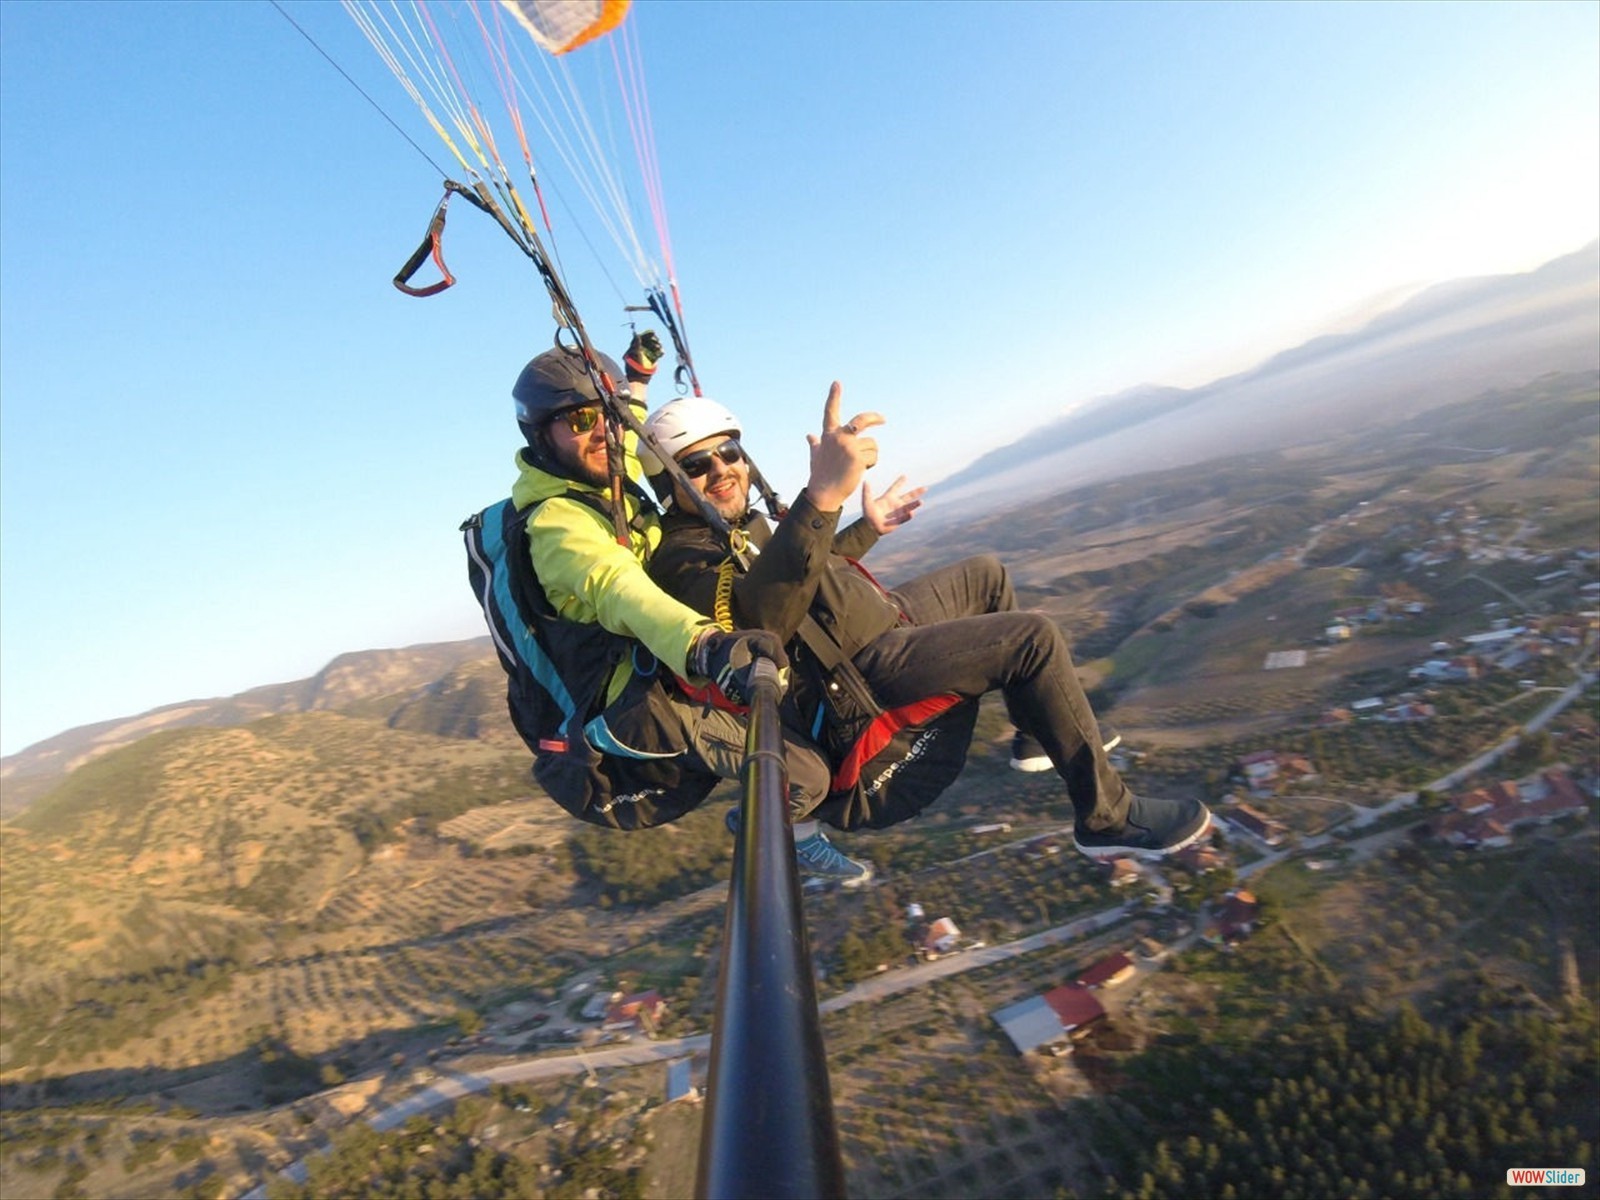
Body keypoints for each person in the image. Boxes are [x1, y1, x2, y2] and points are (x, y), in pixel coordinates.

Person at [641, 383, 1213, 860]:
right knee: (1030, 641)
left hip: (880, 625)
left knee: (986, 575)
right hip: (858, 677)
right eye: (696, 464)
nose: (722, 470)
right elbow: (757, 622)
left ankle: (1039, 732)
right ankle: (1107, 817)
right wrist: (819, 497)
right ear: (668, 485)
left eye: (730, 453)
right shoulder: (680, 559)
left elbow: (805, 571)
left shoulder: (743, 525)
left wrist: (865, 528)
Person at [506, 334, 874, 885]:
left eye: (602, 414)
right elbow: (620, 589)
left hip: (665, 660)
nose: (601, 428)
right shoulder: (560, 522)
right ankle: (786, 837)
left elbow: (627, 430)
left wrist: (635, 377)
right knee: (802, 774)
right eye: (579, 419)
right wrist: (703, 643)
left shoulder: (603, 467)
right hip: (638, 701)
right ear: (541, 435)